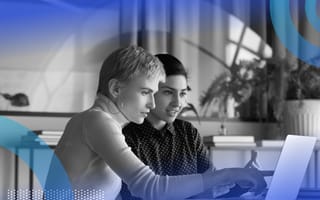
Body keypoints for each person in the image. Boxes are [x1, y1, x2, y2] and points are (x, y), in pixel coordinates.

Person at [45, 46, 266, 200]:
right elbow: (149, 188)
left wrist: (231, 182)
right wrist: (228, 174)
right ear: (115, 89)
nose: (152, 103)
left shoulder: (94, 121)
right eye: (145, 92)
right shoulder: (97, 121)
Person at [120, 54, 252, 200]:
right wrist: (200, 194)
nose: (178, 103)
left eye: (182, 93)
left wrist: (241, 182)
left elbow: (213, 186)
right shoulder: (126, 139)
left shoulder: (188, 132)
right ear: (148, 91)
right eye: (168, 92)